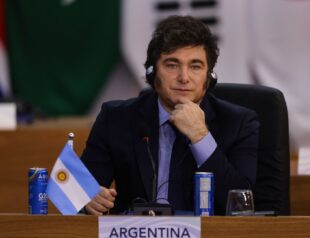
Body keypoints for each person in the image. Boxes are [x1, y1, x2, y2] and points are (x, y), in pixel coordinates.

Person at [81, 15, 259, 215]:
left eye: (195, 66)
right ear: (152, 72)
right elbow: (81, 192)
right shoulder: (116, 118)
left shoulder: (239, 122)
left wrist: (201, 136)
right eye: (172, 65)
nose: (184, 77)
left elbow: (241, 207)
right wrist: (89, 199)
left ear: (209, 77)